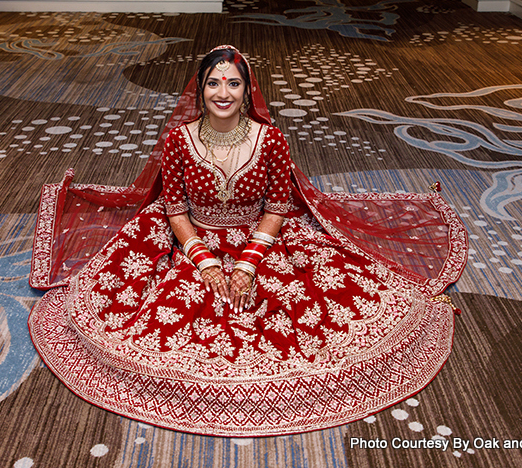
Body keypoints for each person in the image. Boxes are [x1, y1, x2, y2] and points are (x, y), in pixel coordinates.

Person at [28, 45, 468, 436]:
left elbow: (277, 207)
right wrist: (205, 263)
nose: (223, 93)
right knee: (135, 316)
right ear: (199, 90)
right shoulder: (180, 140)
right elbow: (174, 209)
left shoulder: (271, 139)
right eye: (214, 83)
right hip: (191, 237)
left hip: (260, 236)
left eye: (233, 83)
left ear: (247, 90)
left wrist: (245, 265)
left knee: (328, 309)